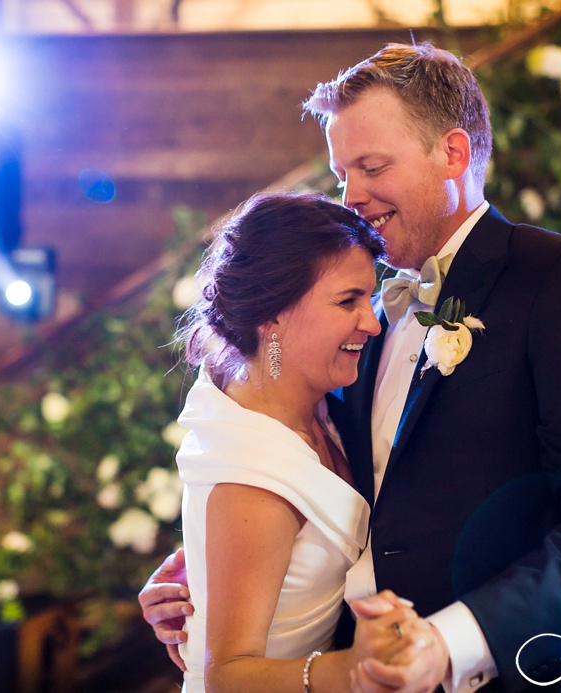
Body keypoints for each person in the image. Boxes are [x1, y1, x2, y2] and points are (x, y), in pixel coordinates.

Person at [143, 43, 561, 692]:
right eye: (343, 174)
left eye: (371, 167)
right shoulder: (365, 311)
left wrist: (451, 641)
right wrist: (203, 568)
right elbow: (310, 480)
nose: (352, 196)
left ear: (452, 153)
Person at [170, 191, 440, 693]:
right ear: (271, 315)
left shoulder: (317, 405)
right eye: (348, 300)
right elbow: (226, 675)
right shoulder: (252, 469)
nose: (373, 321)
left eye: (369, 295)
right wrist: (352, 666)